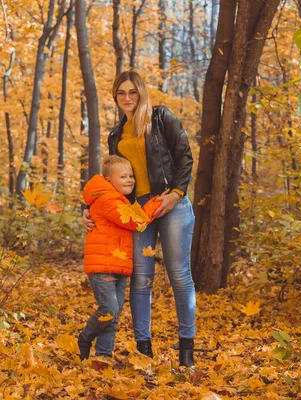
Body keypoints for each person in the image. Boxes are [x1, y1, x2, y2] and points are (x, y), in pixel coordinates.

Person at [83, 71, 197, 367]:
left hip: (171, 203)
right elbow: (110, 182)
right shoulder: (115, 135)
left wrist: (175, 194)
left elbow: (184, 156)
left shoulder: (161, 118)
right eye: (121, 93)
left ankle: (187, 350)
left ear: (142, 92)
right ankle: (143, 349)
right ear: (115, 97)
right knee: (141, 280)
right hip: (137, 212)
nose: (127, 98)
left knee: (179, 276)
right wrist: (88, 208)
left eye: (133, 92)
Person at [78, 155, 162, 360]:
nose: (130, 180)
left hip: (118, 264)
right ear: (108, 180)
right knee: (109, 309)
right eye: (123, 176)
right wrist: (157, 202)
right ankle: (85, 337)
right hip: (103, 265)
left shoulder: (117, 199)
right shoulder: (108, 200)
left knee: (113, 316)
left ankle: (103, 356)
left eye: (131, 176)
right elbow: (134, 221)